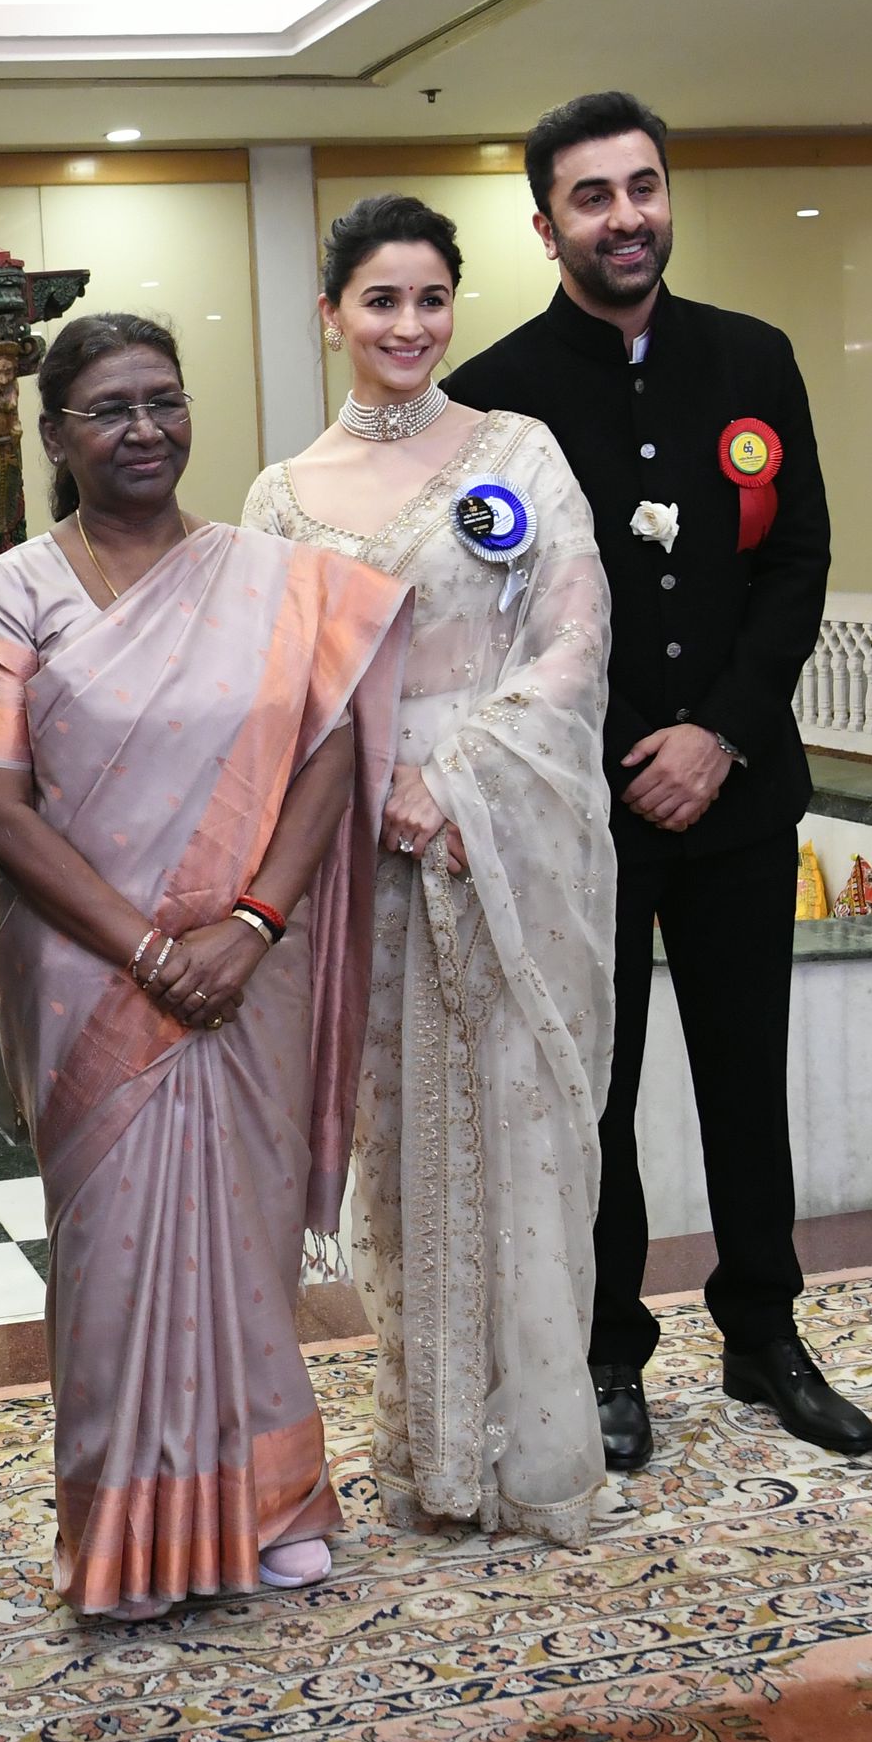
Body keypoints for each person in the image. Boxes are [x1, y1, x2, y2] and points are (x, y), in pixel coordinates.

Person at [0, 313, 409, 1617]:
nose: (144, 428)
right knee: (114, 1255)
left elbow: (330, 751)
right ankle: (131, 1534)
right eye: (108, 409)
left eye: (163, 399)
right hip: (92, 974)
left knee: (248, 1240)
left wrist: (250, 924)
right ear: (56, 436)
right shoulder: (20, 588)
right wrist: (152, 947)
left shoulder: (274, 579)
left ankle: (274, 1503)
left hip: (248, 967)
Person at [449, 90, 872, 1468]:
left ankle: (765, 1332)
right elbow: (504, 614)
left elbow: (796, 560)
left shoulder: (754, 357)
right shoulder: (493, 395)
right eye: (593, 196)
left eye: (643, 186)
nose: (625, 215)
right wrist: (631, 744)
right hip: (582, 807)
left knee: (747, 1074)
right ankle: (607, 1349)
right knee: (599, 1086)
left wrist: (720, 734)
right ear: (546, 225)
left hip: (740, 793)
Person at [240, 195, 619, 1543]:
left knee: (517, 1132)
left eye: (431, 298)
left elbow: (573, 642)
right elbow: (278, 693)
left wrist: (454, 781)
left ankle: (527, 1448)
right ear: (330, 314)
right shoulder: (282, 496)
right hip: (360, 856)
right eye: (380, 300)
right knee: (397, 1151)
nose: (409, 325)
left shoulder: (518, 452)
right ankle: (428, 1449)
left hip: (502, 840)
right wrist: (366, 799)